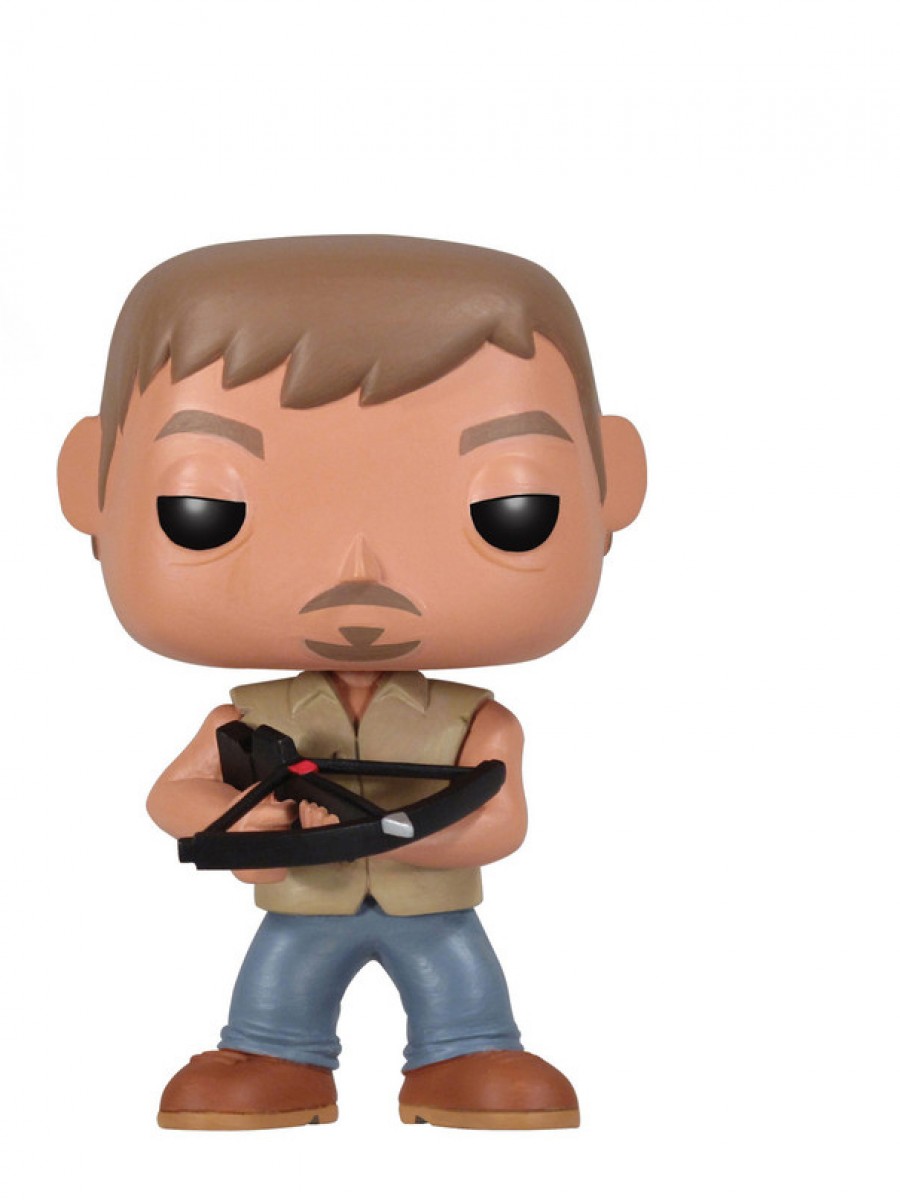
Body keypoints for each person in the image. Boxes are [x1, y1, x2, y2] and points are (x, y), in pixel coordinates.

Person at [58, 235, 646, 1129]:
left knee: (461, 984)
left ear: (615, 485)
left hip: (432, 906)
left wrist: (402, 836)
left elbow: (503, 818)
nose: (358, 575)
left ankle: (468, 1052)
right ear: (88, 488)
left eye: (510, 512)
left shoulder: (480, 722)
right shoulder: (246, 718)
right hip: (304, 903)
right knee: (279, 986)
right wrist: (250, 822)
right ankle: (272, 1056)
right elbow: (172, 797)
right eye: (204, 512)